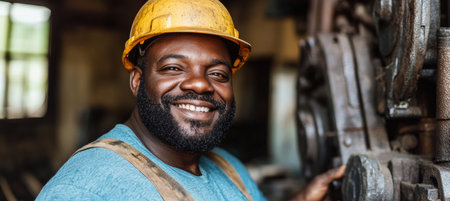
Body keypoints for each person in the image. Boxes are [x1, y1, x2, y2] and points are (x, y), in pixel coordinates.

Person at [37, 0, 345, 200]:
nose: (200, 84)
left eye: (218, 74)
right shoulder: (85, 189)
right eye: (173, 68)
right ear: (137, 80)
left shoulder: (229, 168)